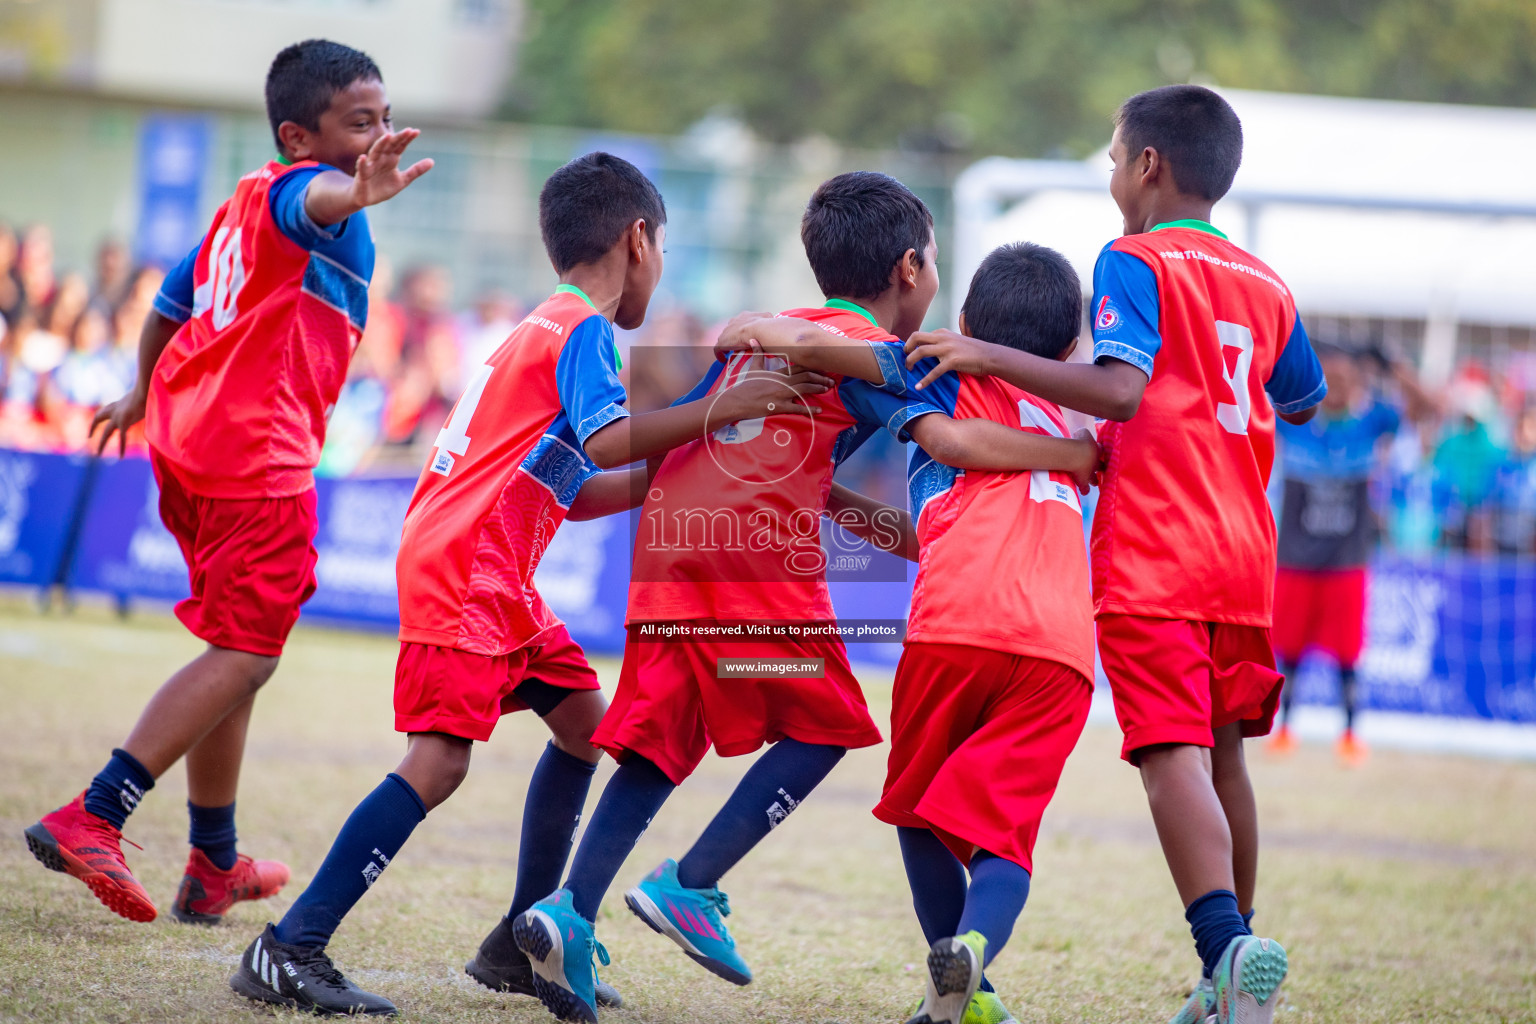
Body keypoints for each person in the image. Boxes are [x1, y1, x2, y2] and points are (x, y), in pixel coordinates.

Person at [226, 151, 826, 1016]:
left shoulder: (547, 323)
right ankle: (289, 947)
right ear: (640, 239)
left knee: (586, 729)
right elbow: (615, 442)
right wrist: (725, 409)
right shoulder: (582, 327)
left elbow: (578, 491)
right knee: (437, 763)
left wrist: (696, 458)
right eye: (664, 246)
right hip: (468, 566)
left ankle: (518, 945)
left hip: (490, 567)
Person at [513, 171, 1101, 1024]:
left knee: (658, 737)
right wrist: (1073, 456)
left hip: (678, 537)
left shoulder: (773, 339)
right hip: (755, 552)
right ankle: (691, 883)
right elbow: (926, 413)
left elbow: (755, 436)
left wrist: (758, 328)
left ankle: (567, 911)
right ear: (909, 269)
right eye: (931, 265)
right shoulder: (894, 361)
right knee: (827, 723)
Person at [904, 85, 1327, 1024]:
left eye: (1110, 157)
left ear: (1148, 167)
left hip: (1156, 555)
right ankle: (1229, 969)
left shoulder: (1131, 260)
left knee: (1169, 754)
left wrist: (989, 356)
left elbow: (1122, 393)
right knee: (1223, 761)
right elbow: (1302, 397)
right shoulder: (1269, 284)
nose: (1108, 176)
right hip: (1244, 552)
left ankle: (1227, 950)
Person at [24, 39, 433, 927]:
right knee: (249, 653)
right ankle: (96, 810)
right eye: (360, 123)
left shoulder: (238, 204)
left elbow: (172, 302)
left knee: (238, 653)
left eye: (384, 117)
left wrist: (140, 389)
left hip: (190, 445)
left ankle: (214, 861)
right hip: (257, 457)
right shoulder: (304, 195)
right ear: (299, 136)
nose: (381, 136)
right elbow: (317, 200)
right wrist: (354, 190)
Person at [822, 242, 1098, 1024]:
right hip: (1060, 651)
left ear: (967, 323)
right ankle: (972, 960)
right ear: (1071, 350)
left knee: (915, 813)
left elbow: (939, 442)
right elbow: (927, 530)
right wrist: (837, 501)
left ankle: (962, 973)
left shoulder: (943, 375)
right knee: (1005, 837)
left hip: (955, 625)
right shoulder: (1076, 416)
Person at [1267, 343, 1434, 765]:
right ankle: (1284, 729)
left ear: (1359, 383)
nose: (1337, 387)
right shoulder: (1295, 423)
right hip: (1296, 558)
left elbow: (1431, 408)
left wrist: (1395, 365)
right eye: (1330, 378)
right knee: (1288, 651)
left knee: (1347, 653)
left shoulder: (1371, 423)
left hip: (1346, 561)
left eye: (1346, 379)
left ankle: (1350, 734)